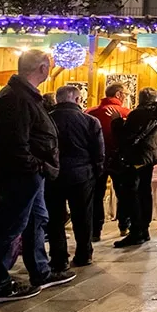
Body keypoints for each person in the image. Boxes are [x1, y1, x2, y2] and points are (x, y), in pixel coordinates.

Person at [0, 49, 72, 304]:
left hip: (28, 173)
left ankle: (40, 271)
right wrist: (36, 166)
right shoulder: (16, 98)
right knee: (10, 228)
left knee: (36, 221)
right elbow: (15, 143)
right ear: (43, 68)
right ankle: (0, 285)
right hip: (20, 175)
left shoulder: (23, 96)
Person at [46, 85, 104, 269]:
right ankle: (84, 254)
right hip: (82, 173)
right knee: (83, 216)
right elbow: (99, 152)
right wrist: (96, 171)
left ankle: (58, 257)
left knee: (55, 217)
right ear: (78, 100)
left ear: (57, 99)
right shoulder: (90, 121)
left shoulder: (47, 119)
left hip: (53, 174)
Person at [113, 88, 157, 248]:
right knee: (144, 192)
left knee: (132, 194)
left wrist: (116, 122)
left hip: (136, 157)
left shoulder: (138, 114)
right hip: (149, 158)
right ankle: (144, 228)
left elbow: (126, 136)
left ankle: (136, 231)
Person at [86, 83, 131, 241]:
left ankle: (95, 231)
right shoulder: (125, 113)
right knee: (123, 193)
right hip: (119, 159)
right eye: (125, 94)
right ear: (118, 94)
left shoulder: (90, 112)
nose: (126, 97)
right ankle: (124, 226)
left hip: (95, 159)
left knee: (96, 195)